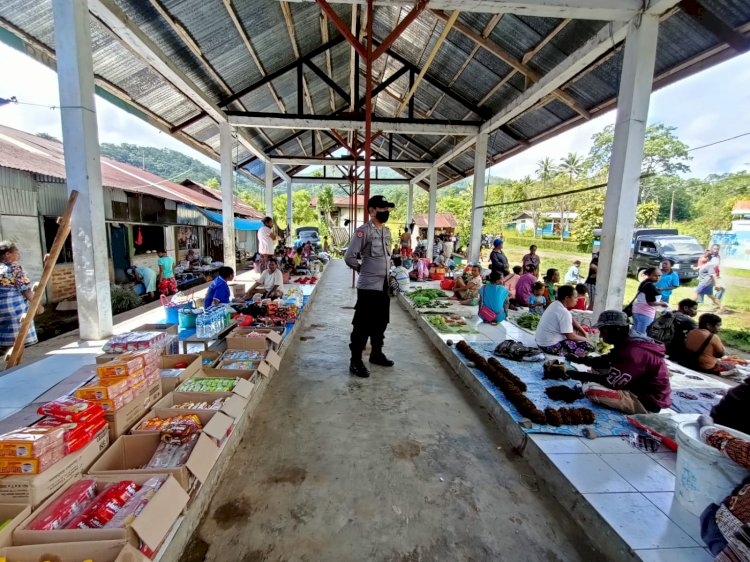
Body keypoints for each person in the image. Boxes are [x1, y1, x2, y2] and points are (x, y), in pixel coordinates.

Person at [567, 310, 671, 414]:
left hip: (646, 402)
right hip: (635, 385)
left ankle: (637, 407)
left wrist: (577, 375)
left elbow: (610, 383)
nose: (601, 336)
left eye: (603, 331)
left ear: (615, 329)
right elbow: (606, 360)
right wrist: (579, 360)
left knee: (592, 390)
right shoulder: (629, 340)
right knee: (597, 368)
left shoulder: (634, 352)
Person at [344, 195, 396, 378]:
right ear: (372, 211)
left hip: (384, 284)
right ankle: (355, 361)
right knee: (362, 325)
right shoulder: (363, 231)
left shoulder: (387, 232)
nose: (386, 212)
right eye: (382, 209)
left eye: (387, 209)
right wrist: (362, 269)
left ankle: (376, 354)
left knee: (381, 322)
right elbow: (349, 256)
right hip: (368, 286)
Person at [0, 242, 42, 351]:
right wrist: (37, 305)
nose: (18, 254)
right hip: (14, 309)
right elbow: (25, 290)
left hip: (2, 309)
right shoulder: (14, 268)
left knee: (6, 342)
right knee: (19, 342)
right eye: (16, 252)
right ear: (8, 254)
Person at [534, 285, 593, 356]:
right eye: (575, 297)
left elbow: (571, 319)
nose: (577, 299)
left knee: (576, 333)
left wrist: (583, 332)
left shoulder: (555, 304)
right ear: (567, 298)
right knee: (586, 346)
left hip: (540, 342)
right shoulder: (564, 312)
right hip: (548, 346)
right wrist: (585, 339)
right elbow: (570, 336)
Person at [631, 267, 669, 335]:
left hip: (637, 311)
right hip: (645, 313)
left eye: (659, 275)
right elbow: (651, 302)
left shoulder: (645, 282)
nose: (657, 277)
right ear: (649, 275)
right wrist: (662, 304)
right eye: (655, 275)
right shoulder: (650, 286)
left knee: (634, 332)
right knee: (641, 335)